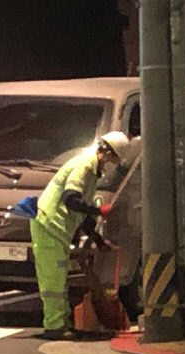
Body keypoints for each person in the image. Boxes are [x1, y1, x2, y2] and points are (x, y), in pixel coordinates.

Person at [30, 131, 130, 341]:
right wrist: (99, 212)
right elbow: (71, 199)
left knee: (58, 278)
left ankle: (61, 323)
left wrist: (98, 239)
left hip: (56, 228)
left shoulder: (92, 171)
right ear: (107, 152)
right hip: (50, 224)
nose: (110, 164)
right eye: (112, 159)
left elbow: (81, 211)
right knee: (53, 281)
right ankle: (55, 327)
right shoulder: (84, 167)